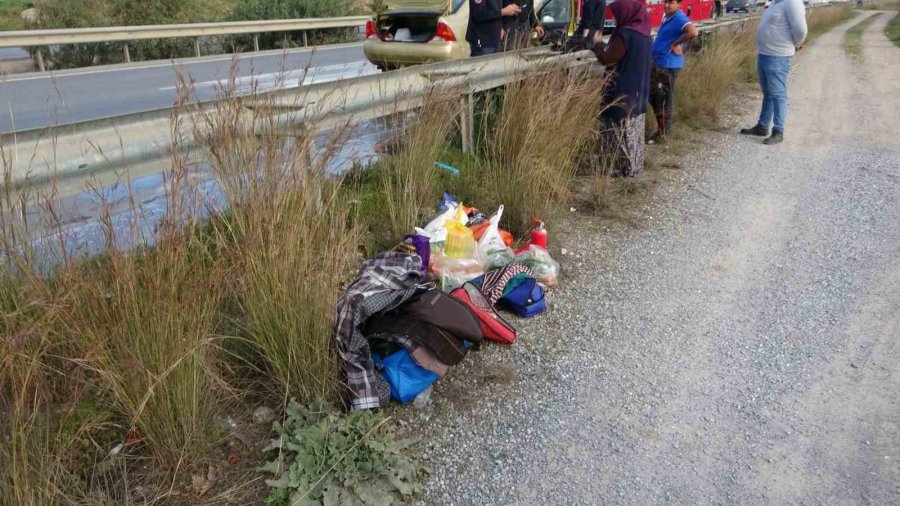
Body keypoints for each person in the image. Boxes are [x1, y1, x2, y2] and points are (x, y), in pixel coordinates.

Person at [592, 0, 652, 177]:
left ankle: (619, 169)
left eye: (617, 14)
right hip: (638, 92)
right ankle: (633, 168)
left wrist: (597, 44)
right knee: (633, 133)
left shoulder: (626, 34)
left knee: (616, 132)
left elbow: (607, 59)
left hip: (621, 93)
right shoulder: (645, 33)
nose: (616, 18)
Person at [740, 0, 807, 144]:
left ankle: (778, 130)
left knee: (778, 94)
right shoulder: (775, 3)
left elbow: (800, 29)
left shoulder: (792, 3)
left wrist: (797, 44)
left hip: (779, 55)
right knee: (768, 93)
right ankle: (762, 126)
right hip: (765, 53)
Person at [648, 0, 699, 143]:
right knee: (654, 95)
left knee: (663, 97)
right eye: (665, 2)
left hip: (668, 64)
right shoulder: (668, 16)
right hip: (660, 62)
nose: (666, 5)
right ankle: (662, 129)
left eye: (671, 2)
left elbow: (693, 32)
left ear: (679, 5)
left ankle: (664, 133)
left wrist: (677, 44)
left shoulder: (679, 17)